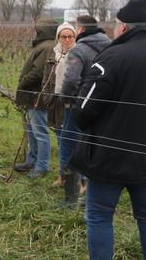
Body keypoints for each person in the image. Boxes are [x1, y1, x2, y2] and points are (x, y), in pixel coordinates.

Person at [71, 0, 146, 260]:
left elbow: (83, 110)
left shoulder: (111, 57)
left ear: (124, 26)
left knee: (99, 215)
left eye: (115, 23)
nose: (113, 28)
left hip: (108, 158)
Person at [59, 15, 111, 207]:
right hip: (103, 107)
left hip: (78, 106)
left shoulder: (79, 50)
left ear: (79, 30)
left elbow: (71, 80)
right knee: (94, 145)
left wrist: (66, 99)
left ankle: (70, 193)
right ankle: (91, 185)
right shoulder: (111, 46)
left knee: (69, 145)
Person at [14, 18, 58, 178]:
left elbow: (38, 72)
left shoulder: (47, 46)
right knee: (32, 131)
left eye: (39, 29)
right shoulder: (43, 45)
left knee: (40, 133)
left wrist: (22, 83)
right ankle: (31, 161)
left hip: (37, 96)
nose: (36, 31)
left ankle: (41, 166)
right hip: (31, 97)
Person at [50, 21, 77, 187]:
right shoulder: (55, 54)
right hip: (56, 101)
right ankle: (63, 176)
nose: (67, 40)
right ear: (58, 38)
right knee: (61, 139)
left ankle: (74, 179)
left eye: (70, 36)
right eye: (63, 37)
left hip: (70, 103)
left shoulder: (78, 54)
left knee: (70, 142)